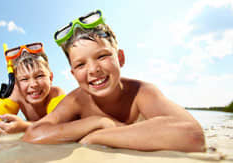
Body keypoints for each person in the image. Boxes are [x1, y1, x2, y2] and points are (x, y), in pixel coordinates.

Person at [22, 10, 205, 152]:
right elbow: (33, 134)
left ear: (121, 58)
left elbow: (193, 135)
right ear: (73, 74)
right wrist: (96, 122)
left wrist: (97, 137)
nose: (94, 70)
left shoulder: (142, 92)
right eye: (81, 65)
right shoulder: (77, 100)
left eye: (102, 56)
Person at [0, 42, 65, 134]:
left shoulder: (56, 93)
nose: (33, 84)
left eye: (39, 76)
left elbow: (63, 125)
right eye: (24, 79)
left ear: (50, 78)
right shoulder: (16, 94)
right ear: (16, 84)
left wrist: (25, 126)